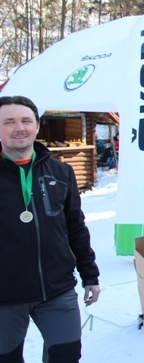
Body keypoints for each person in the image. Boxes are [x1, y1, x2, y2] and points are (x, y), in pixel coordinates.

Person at [0, 95, 100, 362]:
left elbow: (75, 228)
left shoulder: (61, 172)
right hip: (5, 297)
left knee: (66, 357)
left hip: (57, 291)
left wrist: (90, 275)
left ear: (36, 125)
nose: (18, 128)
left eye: (25, 120)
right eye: (8, 122)